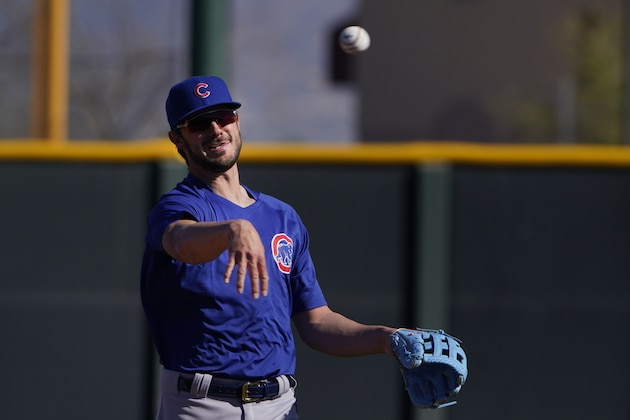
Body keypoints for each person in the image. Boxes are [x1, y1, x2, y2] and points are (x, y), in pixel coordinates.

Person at [141, 75, 396, 420]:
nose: (216, 130)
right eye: (200, 123)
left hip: (280, 406)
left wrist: (385, 338)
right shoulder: (179, 206)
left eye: (224, 116)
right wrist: (231, 231)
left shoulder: (283, 218)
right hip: (203, 405)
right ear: (178, 139)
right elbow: (178, 241)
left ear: (237, 121)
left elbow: (317, 322)